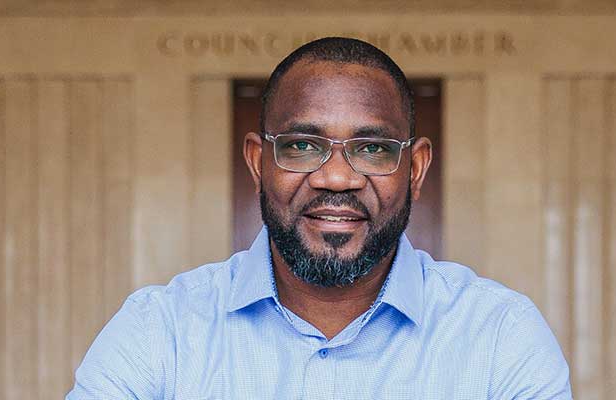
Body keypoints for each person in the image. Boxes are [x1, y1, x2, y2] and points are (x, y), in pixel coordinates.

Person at [67, 37, 573, 399]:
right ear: (257, 162)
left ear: (415, 168)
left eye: (372, 148)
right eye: (302, 145)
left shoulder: (500, 337)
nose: (336, 178)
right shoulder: (161, 333)